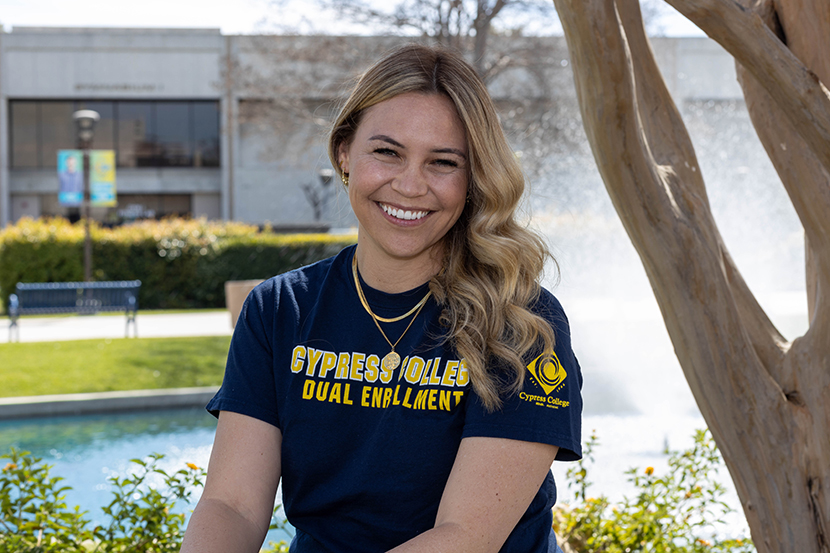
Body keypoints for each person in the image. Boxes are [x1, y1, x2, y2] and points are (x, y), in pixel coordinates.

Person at [181, 43, 582, 553]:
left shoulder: (521, 322)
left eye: (442, 162)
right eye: (387, 152)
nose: (410, 185)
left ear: (473, 177)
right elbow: (232, 504)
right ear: (345, 152)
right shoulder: (280, 309)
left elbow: (465, 538)